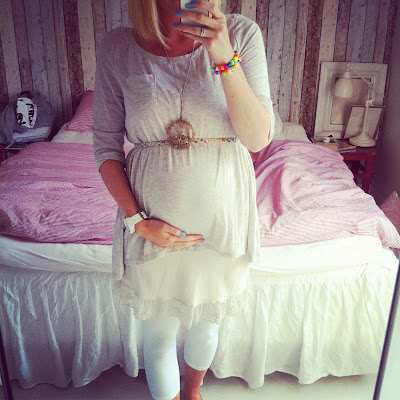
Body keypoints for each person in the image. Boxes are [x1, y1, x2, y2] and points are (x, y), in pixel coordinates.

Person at [92, 1, 274, 399]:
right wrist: (137, 221)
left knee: (207, 325)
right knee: (158, 334)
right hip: (151, 228)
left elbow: (257, 138)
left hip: (221, 226)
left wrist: (223, 54)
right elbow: (105, 147)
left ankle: (192, 391)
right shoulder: (118, 46)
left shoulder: (241, 34)